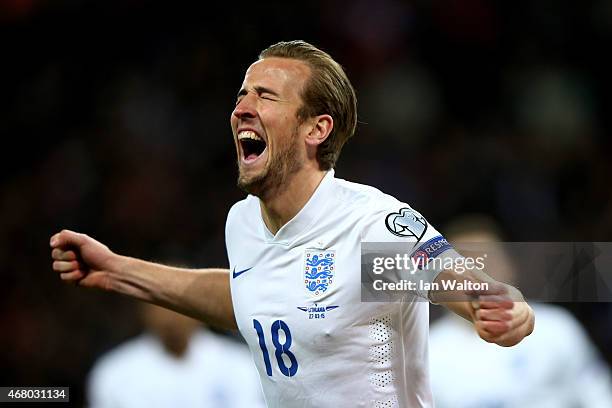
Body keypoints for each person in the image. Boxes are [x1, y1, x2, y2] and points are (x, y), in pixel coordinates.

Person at [50, 40, 535, 407]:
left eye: (265, 96)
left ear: (315, 128)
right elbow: (250, 299)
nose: (242, 107)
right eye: (242, 94)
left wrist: (505, 310)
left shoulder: (371, 225)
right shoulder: (241, 223)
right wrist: (116, 271)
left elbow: (457, 281)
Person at [429, 215, 612, 408]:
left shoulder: (557, 327)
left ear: (510, 265)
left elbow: (598, 395)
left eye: (487, 259)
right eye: (465, 262)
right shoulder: (429, 353)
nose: (477, 273)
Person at [88, 303, 265, 408]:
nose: (171, 316)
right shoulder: (114, 371)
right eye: (161, 305)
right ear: (144, 311)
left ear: (200, 307)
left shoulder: (241, 364)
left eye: (178, 304)